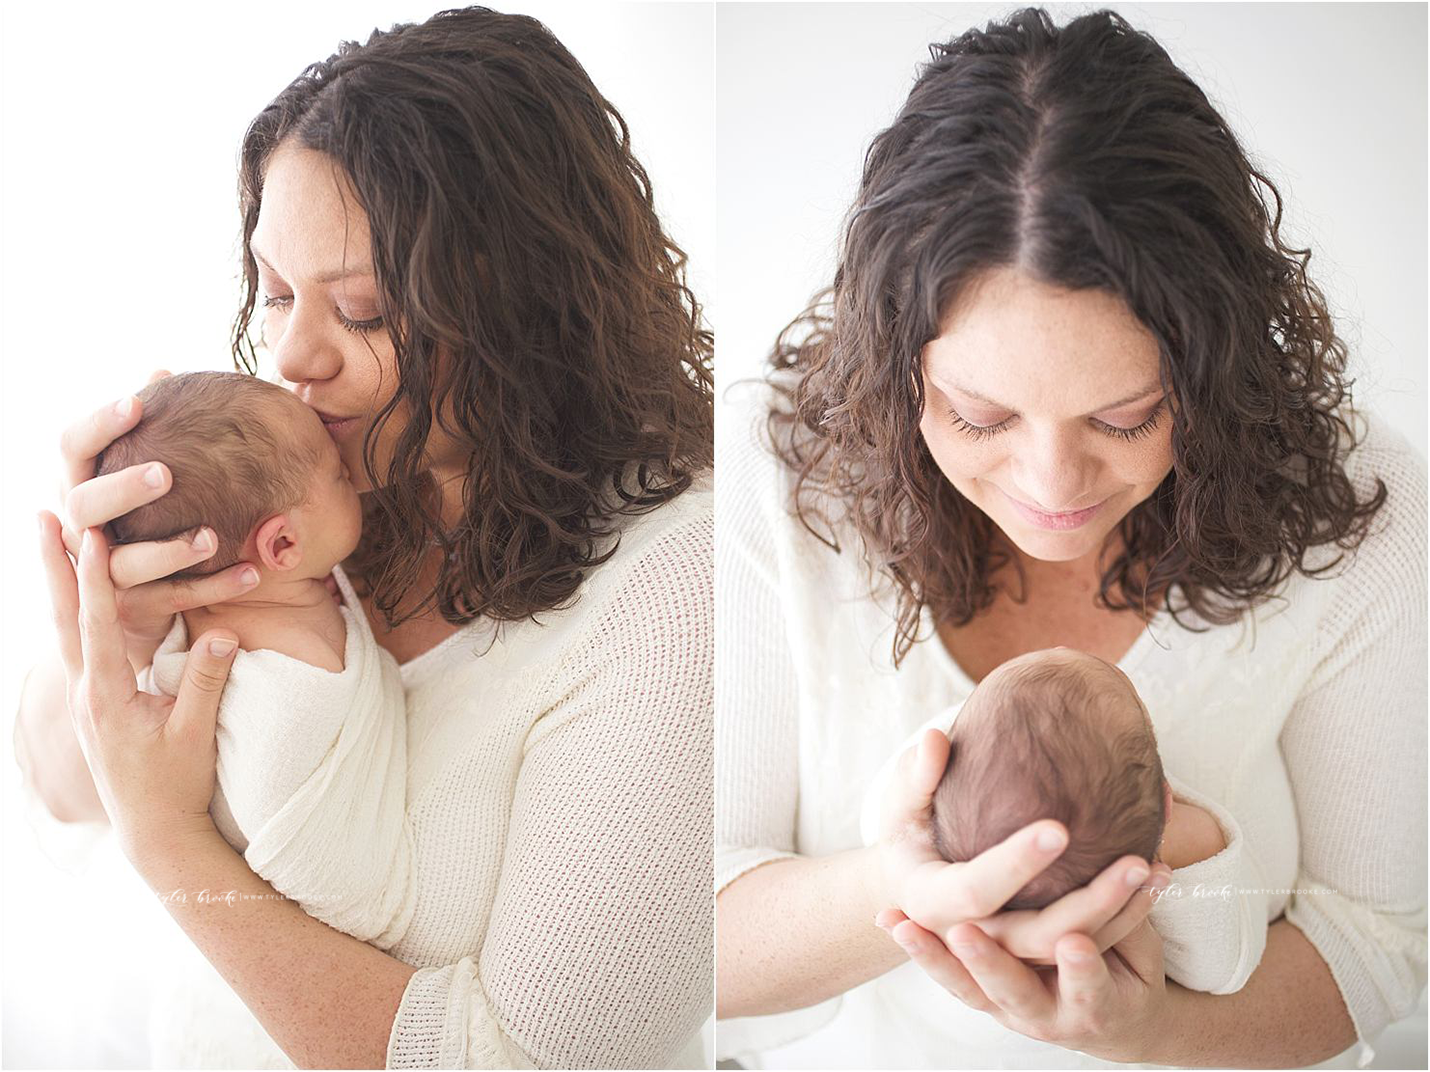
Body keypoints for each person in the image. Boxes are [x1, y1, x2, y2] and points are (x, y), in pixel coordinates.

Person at [715, 7, 1424, 1069]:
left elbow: (1382, 941)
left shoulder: (1346, 508)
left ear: (1214, 373)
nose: (1049, 487)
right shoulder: (780, 485)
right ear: (893, 370)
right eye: (980, 417)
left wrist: (1152, 1029)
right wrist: (895, 890)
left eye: (1123, 416)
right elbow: (672, 941)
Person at [19, 8, 713, 1068]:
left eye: (367, 311)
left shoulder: (673, 597)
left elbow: (515, 1060)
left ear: (537, 307)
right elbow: (58, 790)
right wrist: (105, 645)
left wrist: (171, 845)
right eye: (277, 290)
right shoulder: (301, 478)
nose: (294, 355)